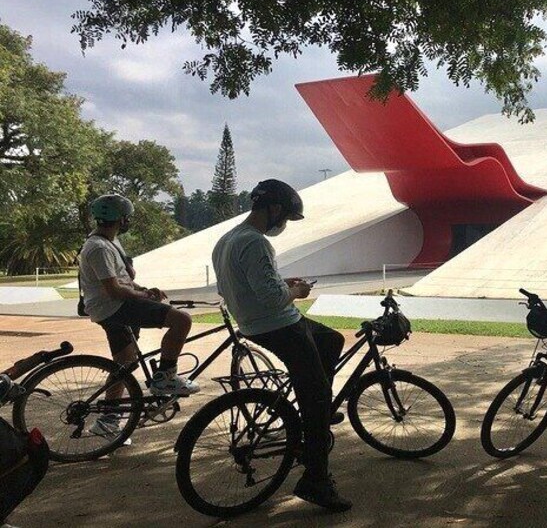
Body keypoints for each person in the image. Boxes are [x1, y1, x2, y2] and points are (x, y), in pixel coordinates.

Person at [211, 179, 350, 512]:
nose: (283, 223)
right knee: (316, 403)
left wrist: (284, 284)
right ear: (273, 209)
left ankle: (314, 397)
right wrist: (297, 293)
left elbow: (248, 283)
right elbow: (274, 298)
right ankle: (315, 480)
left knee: (332, 339)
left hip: (256, 324)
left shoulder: (227, 239)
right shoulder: (256, 242)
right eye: (285, 216)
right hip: (279, 325)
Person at [78, 194, 199, 441]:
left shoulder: (109, 242)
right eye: (127, 217)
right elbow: (114, 289)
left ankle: (108, 420)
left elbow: (123, 280)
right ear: (119, 219)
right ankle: (166, 377)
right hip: (115, 307)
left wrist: (145, 289)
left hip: (111, 307)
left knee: (125, 364)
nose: (128, 221)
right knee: (182, 320)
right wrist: (141, 294)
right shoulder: (99, 248)